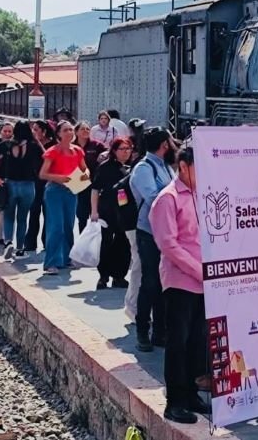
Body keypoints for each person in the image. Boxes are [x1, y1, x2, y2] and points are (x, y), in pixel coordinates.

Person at [148, 146, 209, 424]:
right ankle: (175, 401)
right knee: (178, 342)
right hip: (180, 281)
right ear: (183, 166)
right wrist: (199, 271)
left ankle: (191, 393)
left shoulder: (201, 195)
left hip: (205, 281)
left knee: (198, 341)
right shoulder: (168, 198)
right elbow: (168, 245)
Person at [129, 128, 177, 352]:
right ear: (164, 144)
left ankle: (160, 331)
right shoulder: (144, 168)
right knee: (150, 282)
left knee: (163, 282)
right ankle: (142, 331)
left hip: (167, 232)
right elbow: (154, 198)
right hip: (148, 232)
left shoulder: (165, 166)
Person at [38, 121, 90, 276]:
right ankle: (51, 262)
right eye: (65, 130)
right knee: (56, 226)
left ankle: (67, 258)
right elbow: (43, 174)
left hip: (72, 190)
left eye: (71, 130)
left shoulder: (77, 150)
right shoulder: (53, 151)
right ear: (59, 134)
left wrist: (86, 174)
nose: (69, 132)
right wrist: (58, 178)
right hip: (55, 191)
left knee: (68, 225)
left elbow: (84, 168)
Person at [0, 121, 42, 257]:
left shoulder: (7, 144)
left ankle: (8, 242)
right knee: (22, 218)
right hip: (28, 185)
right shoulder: (34, 146)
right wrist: (36, 140)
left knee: (9, 216)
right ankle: (20, 248)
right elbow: (45, 157)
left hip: (10, 184)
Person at [89, 137, 135, 290]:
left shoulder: (132, 167)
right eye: (122, 149)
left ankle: (119, 276)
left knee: (123, 243)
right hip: (107, 209)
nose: (126, 152)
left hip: (125, 211)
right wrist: (94, 211)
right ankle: (103, 276)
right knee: (106, 242)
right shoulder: (105, 167)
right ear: (114, 151)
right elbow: (95, 189)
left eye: (128, 149)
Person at [24, 120, 55, 252]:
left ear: (44, 131)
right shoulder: (31, 144)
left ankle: (47, 242)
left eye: (36, 129)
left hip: (49, 183)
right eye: (33, 129)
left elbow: (48, 158)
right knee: (34, 212)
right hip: (34, 183)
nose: (34, 132)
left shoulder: (53, 145)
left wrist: (39, 144)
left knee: (49, 214)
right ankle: (30, 243)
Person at [75, 121, 106, 233]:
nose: (86, 131)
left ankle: (96, 240)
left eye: (88, 129)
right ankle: (82, 240)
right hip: (78, 185)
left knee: (96, 216)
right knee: (81, 216)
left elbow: (109, 152)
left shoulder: (96, 145)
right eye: (82, 129)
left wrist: (104, 154)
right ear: (76, 132)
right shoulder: (72, 146)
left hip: (94, 184)